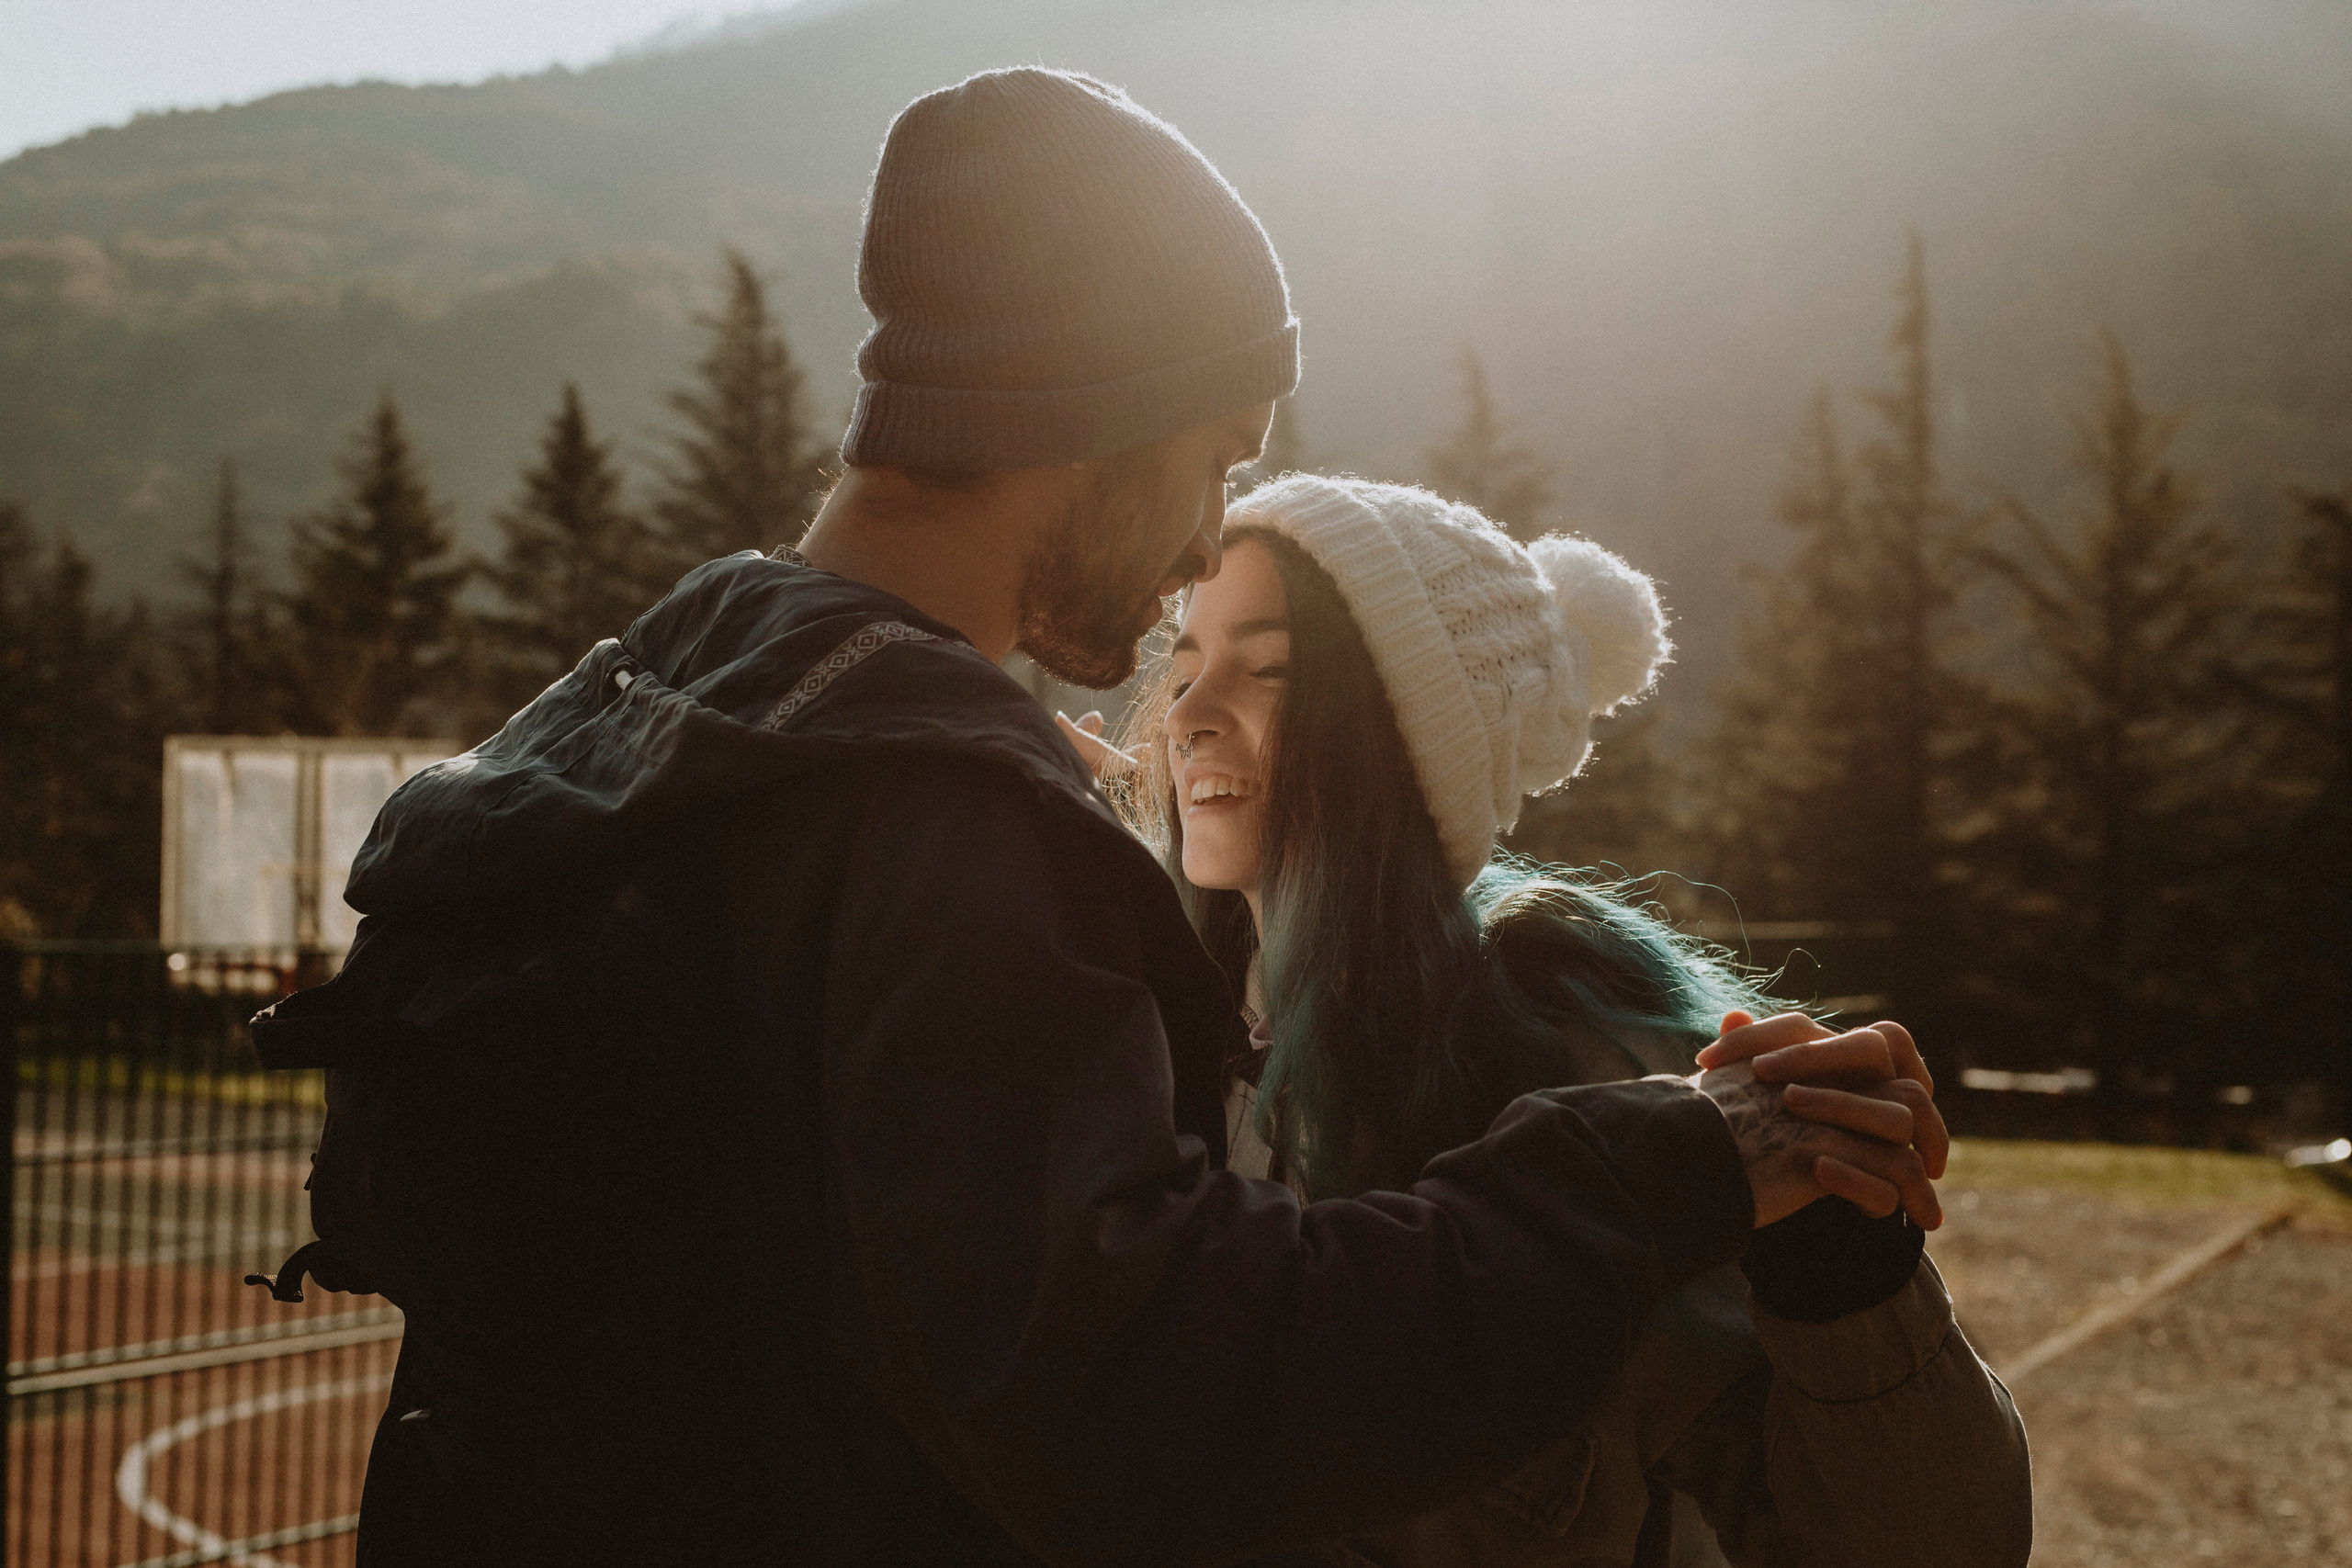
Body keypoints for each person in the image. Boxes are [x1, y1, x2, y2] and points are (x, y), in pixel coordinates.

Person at [248, 70, 1946, 1566]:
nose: (1206, 543)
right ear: (1096, 417)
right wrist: (1654, 1160)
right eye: (1216, 458)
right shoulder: (933, 823)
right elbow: (1150, 1388)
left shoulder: (638, 716)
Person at [1086, 473, 2030, 1565]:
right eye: (1188, 664)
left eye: (1269, 669)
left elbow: (1929, 1545)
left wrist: (1841, 1276)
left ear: (1407, 739)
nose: (1189, 717)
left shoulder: (1594, 1082)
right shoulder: (1132, 1037)